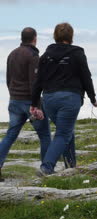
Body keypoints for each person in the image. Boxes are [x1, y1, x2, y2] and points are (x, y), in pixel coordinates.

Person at [31, 22, 97, 176]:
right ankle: (46, 167)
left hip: (49, 100)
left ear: (55, 36)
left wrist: (34, 103)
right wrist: (92, 97)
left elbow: (38, 81)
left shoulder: (45, 56)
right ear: (71, 36)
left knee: (67, 131)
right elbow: (86, 76)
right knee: (63, 133)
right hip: (70, 98)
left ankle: (70, 166)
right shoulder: (77, 53)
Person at [0, 27, 51, 182]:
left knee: (10, 135)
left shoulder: (12, 54)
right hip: (29, 102)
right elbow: (34, 82)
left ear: (22, 38)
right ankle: (46, 169)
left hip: (14, 100)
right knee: (44, 135)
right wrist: (36, 105)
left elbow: (8, 79)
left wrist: (13, 95)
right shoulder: (33, 56)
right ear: (34, 38)